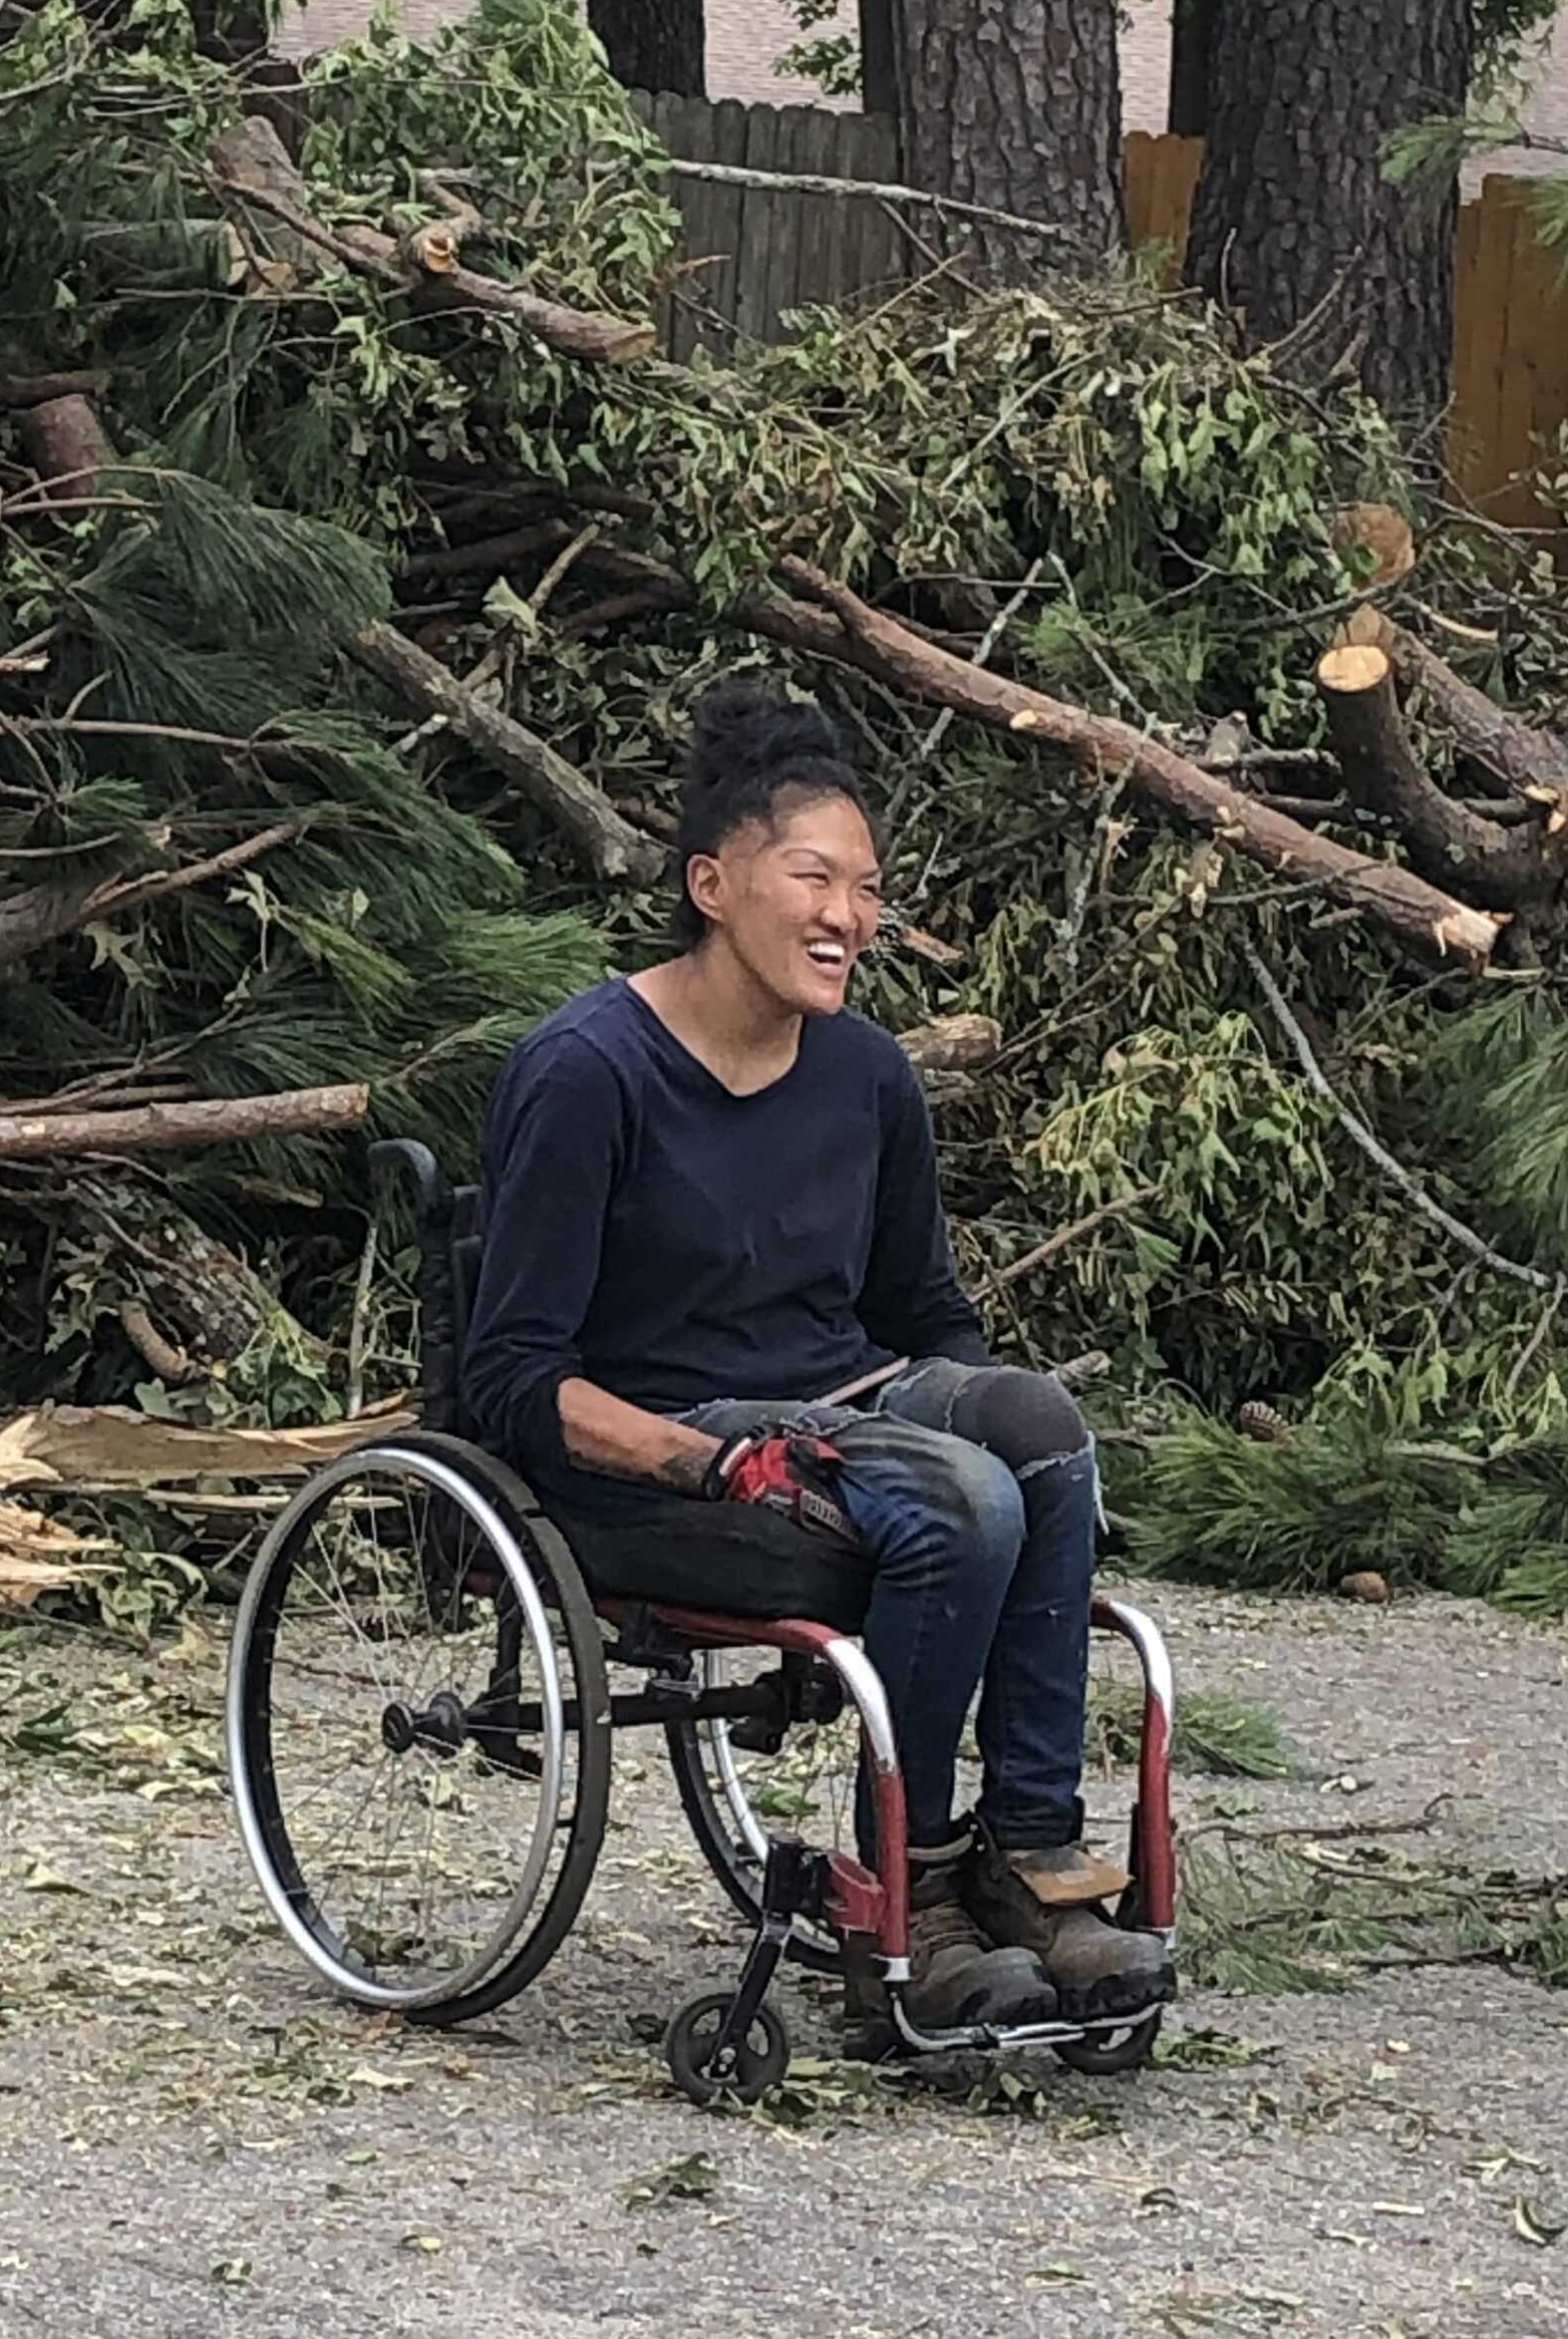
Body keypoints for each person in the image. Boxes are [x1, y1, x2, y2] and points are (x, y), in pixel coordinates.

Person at [462, 679, 1174, 2038]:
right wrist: (697, 1455)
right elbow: (513, 1375)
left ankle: (1027, 1862)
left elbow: (928, 1312)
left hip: (847, 1404)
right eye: (815, 878)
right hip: (670, 1446)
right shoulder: (586, 1072)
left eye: (868, 887)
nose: (850, 914)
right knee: (964, 1502)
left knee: (1032, 1425)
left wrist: (988, 1427)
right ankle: (903, 1894)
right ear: (714, 883)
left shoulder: (865, 1077)